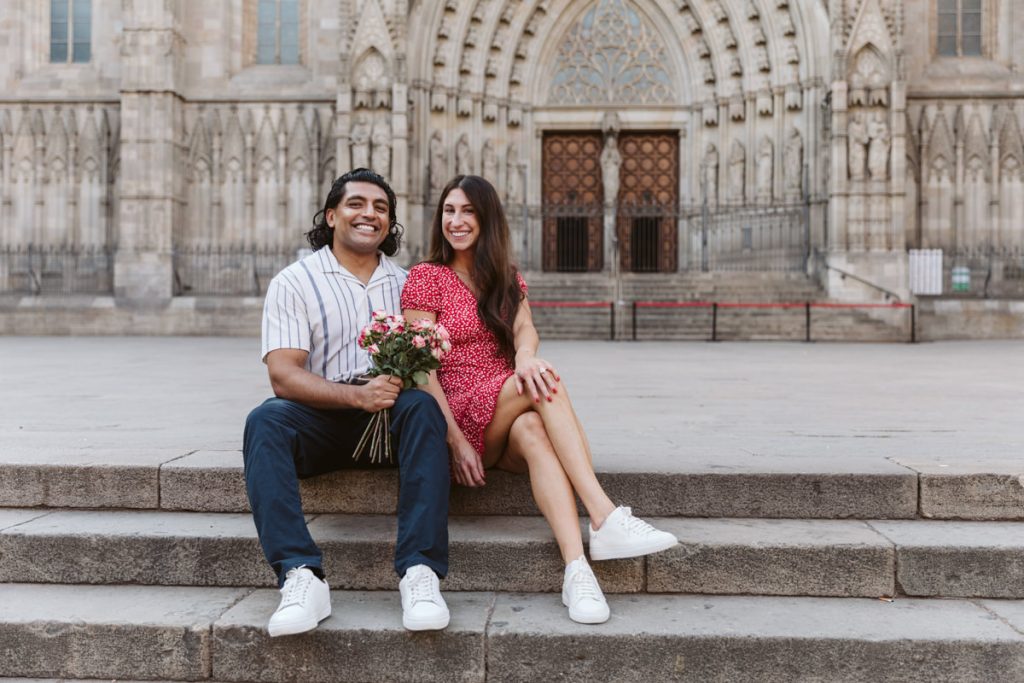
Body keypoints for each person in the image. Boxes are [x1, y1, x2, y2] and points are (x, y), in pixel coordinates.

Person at [401, 175, 678, 625]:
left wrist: (525, 355)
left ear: (487, 218)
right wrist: (455, 441)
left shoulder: (504, 277)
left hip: (508, 403)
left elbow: (525, 329)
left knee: (534, 429)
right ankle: (604, 516)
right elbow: (421, 368)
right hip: (460, 410)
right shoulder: (425, 277)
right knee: (544, 380)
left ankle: (577, 570)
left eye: (468, 211)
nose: (456, 220)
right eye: (449, 211)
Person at [243, 168, 451, 637]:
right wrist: (356, 396)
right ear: (332, 215)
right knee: (265, 421)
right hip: (324, 420)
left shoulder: (407, 285)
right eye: (357, 204)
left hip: (392, 427)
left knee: (423, 408)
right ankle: (301, 574)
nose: (369, 214)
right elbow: (284, 374)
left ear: (390, 224)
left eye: (381, 208)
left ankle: (419, 572)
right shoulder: (294, 282)